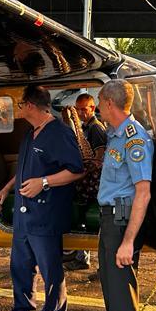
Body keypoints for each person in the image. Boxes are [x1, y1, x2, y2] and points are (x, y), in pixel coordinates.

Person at [0, 85, 84, 311]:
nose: (19, 109)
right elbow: (24, 169)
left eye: (20, 105)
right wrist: (6, 189)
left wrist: (43, 182)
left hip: (46, 214)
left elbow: (76, 170)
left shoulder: (59, 133)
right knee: (20, 265)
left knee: (50, 268)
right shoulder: (30, 134)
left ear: (31, 106)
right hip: (25, 215)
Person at [83, 79, 153, 311]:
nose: (97, 107)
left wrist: (127, 241)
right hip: (112, 218)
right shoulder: (116, 135)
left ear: (109, 104)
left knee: (123, 297)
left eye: (99, 101)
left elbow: (143, 192)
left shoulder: (133, 139)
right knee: (112, 291)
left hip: (122, 220)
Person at [64, 93, 106, 271]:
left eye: (84, 109)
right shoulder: (86, 127)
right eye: (78, 109)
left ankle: (75, 249)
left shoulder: (95, 128)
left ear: (93, 108)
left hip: (95, 180)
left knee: (74, 202)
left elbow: (99, 157)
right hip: (92, 177)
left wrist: (81, 173)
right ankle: (82, 255)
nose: (81, 112)